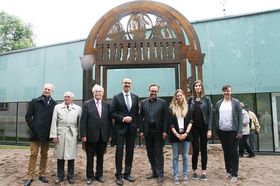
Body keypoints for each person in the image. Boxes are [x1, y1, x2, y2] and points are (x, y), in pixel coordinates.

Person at [23, 83, 57, 186]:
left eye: (49, 89)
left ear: (52, 91)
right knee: (33, 154)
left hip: (47, 135)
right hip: (35, 134)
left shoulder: (54, 104)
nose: (46, 91)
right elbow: (28, 116)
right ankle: (29, 176)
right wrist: (34, 127)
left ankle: (42, 174)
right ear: (43, 90)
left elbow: (54, 120)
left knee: (44, 155)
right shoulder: (35, 101)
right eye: (45, 89)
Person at [80, 84, 112, 185]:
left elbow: (109, 121)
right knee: (90, 158)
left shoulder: (107, 105)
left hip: (103, 136)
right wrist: (83, 135)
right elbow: (83, 121)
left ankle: (99, 175)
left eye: (99, 91)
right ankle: (90, 176)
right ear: (93, 93)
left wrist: (109, 135)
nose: (98, 93)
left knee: (100, 157)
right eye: (96, 91)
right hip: (90, 136)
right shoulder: (87, 104)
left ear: (102, 93)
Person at [111, 78, 139, 186]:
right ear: (122, 84)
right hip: (120, 129)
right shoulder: (116, 97)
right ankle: (118, 175)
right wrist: (123, 119)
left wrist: (136, 126)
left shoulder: (135, 97)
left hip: (131, 129)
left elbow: (136, 113)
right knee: (119, 151)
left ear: (131, 85)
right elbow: (112, 113)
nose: (127, 84)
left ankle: (127, 173)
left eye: (129, 83)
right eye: (125, 83)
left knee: (130, 151)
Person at [49, 91, 82, 185]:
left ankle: (70, 176)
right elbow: (54, 121)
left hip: (72, 134)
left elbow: (80, 123)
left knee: (71, 156)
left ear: (72, 98)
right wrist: (54, 135)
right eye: (65, 97)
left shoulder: (78, 109)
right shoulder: (57, 107)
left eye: (69, 97)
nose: (66, 98)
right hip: (60, 133)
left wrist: (79, 135)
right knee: (60, 155)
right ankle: (60, 176)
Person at [139, 84, 168, 184]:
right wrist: (141, 131)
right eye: (152, 91)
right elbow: (140, 118)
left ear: (157, 92)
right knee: (150, 153)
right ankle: (154, 171)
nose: (153, 93)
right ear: (149, 91)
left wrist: (165, 131)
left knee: (158, 153)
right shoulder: (143, 103)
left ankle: (160, 174)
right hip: (147, 131)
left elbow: (166, 118)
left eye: (155, 91)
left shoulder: (162, 102)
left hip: (159, 132)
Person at [215, 84, 243, 183]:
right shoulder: (219, 103)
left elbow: (240, 118)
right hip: (222, 131)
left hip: (233, 131)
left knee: (234, 152)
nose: (226, 92)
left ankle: (234, 174)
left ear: (231, 91)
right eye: (225, 91)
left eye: (228, 91)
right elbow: (216, 117)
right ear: (223, 92)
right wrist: (217, 130)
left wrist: (239, 131)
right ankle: (228, 171)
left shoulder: (236, 102)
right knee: (226, 151)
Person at [188, 80, 212, 181]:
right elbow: (186, 112)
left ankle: (204, 172)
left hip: (204, 127)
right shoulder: (190, 99)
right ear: (193, 88)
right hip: (193, 128)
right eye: (196, 86)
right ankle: (194, 171)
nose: (197, 87)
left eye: (199, 86)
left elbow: (210, 114)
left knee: (204, 150)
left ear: (202, 87)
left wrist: (209, 129)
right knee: (195, 149)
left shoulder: (207, 99)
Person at [168, 89, 193, 185]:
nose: (179, 97)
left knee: (185, 156)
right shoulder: (171, 108)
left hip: (186, 135)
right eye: (177, 95)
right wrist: (177, 134)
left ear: (183, 96)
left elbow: (191, 121)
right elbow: (170, 124)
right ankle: (176, 176)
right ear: (175, 97)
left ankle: (185, 175)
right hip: (175, 136)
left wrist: (186, 133)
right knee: (175, 157)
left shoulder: (188, 108)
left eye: (181, 95)